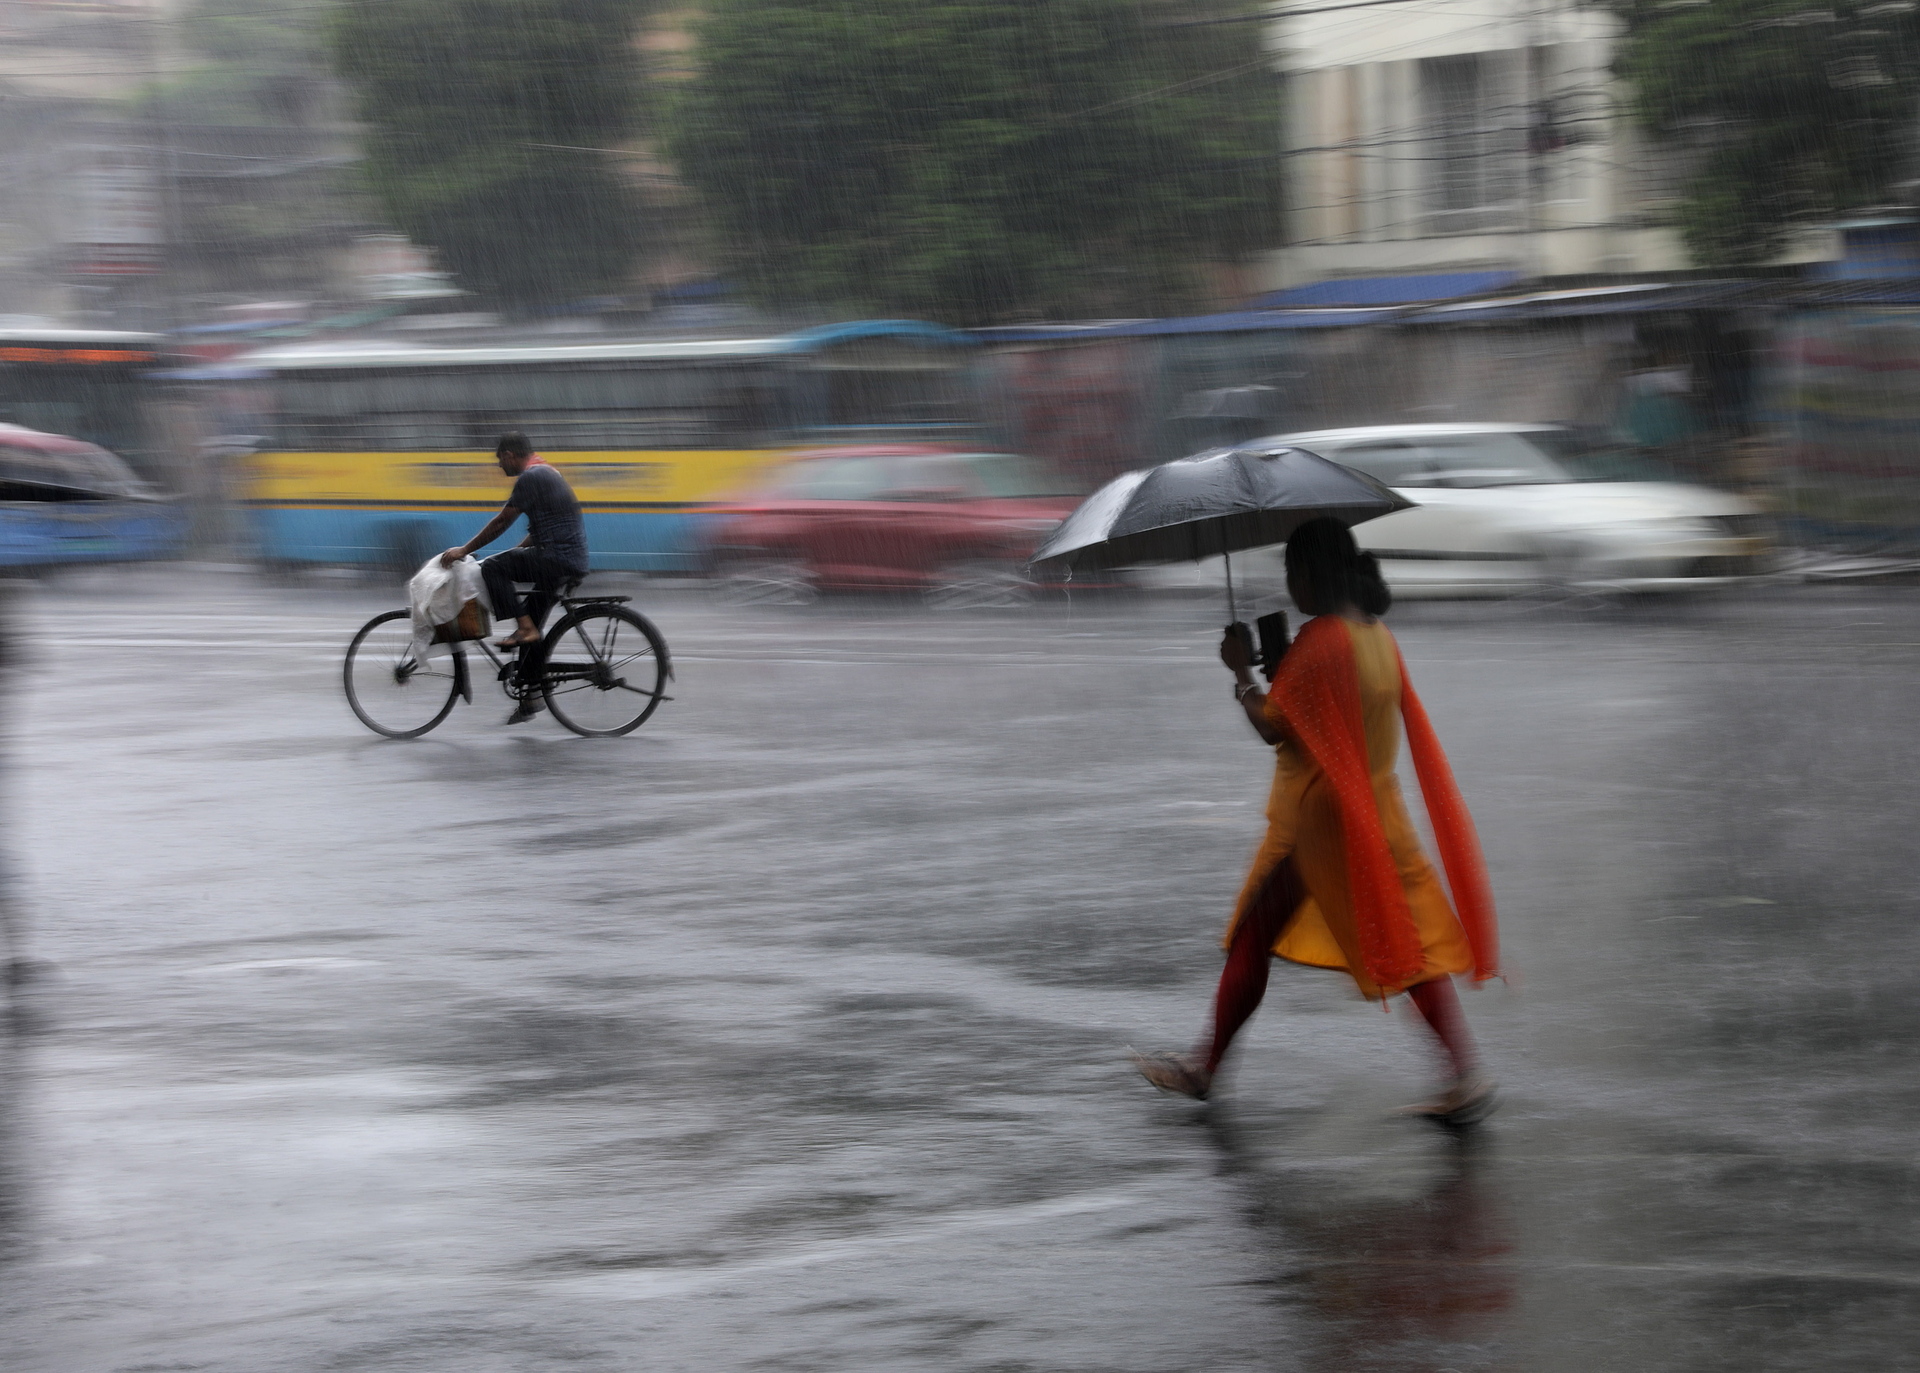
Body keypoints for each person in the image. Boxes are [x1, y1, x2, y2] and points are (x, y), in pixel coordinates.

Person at [1131, 518, 1500, 1122]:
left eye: (1291, 574)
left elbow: (1275, 728)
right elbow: (1333, 711)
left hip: (1319, 821)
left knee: (1255, 935)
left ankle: (1205, 1069)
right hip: (1379, 808)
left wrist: (1241, 673)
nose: (1289, 586)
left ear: (1309, 574)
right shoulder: (1376, 636)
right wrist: (1286, 669)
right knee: (1404, 940)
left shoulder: (1321, 640)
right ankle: (1465, 1072)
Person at [439, 432, 589, 723]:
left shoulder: (530, 477)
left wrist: (464, 550)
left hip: (556, 557)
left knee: (493, 568)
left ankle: (523, 628)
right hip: (567, 558)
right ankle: (531, 697)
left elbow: (502, 521)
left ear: (509, 455)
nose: (499, 466)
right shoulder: (546, 471)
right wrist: (520, 548)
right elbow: (554, 521)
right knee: (533, 619)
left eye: (499, 460)